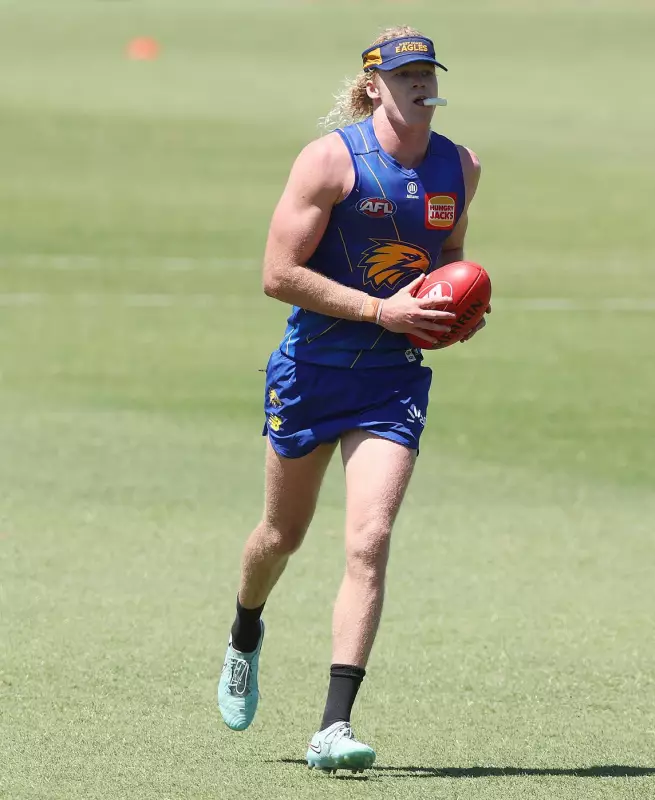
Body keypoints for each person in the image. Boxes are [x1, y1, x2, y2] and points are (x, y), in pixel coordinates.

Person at [217, 25, 487, 774]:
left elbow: (449, 255)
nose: (421, 83)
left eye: (428, 72)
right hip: (311, 372)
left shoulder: (459, 166)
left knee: (370, 539)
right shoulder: (331, 161)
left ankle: (333, 727)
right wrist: (379, 310)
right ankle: (245, 630)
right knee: (281, 536)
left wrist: (456, 303)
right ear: (374, 86)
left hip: (392, 380)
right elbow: (277, 274)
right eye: (405, 75)